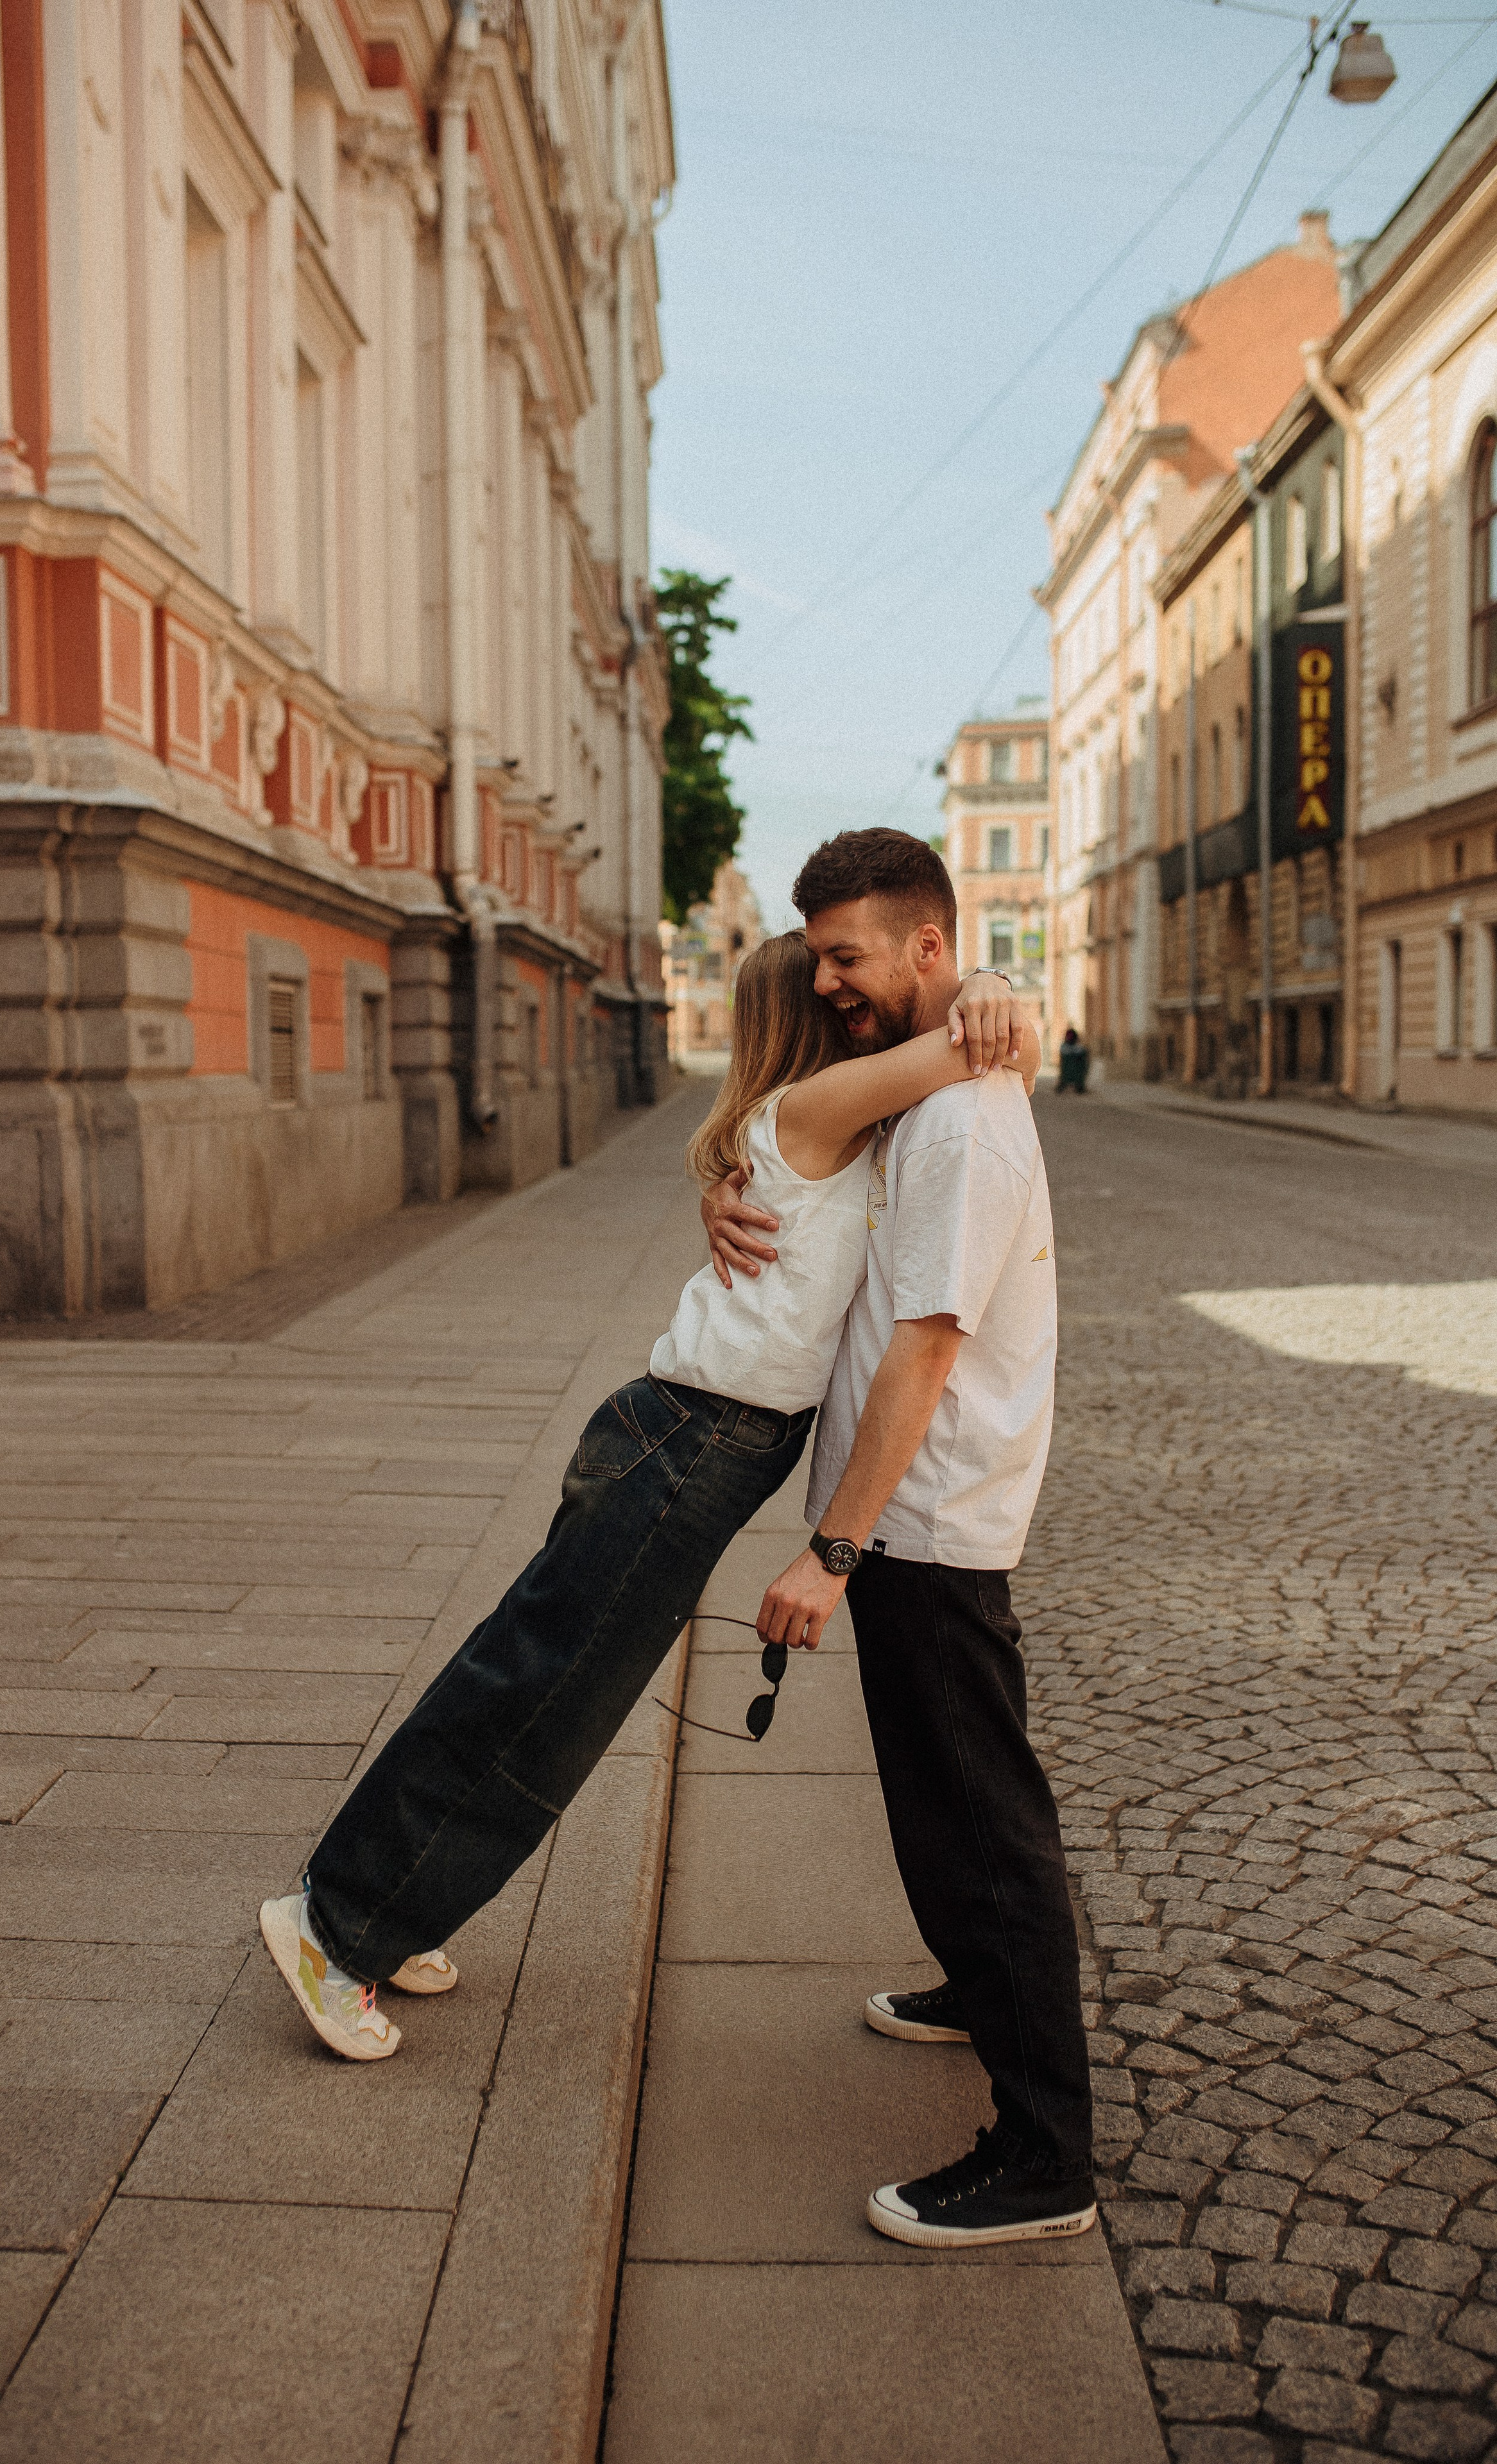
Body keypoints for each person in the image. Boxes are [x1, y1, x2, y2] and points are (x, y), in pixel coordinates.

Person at [259, 929, 1036, 2068]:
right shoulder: (817, 1109)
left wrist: (988, 989)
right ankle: (336, 1926)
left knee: (537, 1680)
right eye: (833, 998)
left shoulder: (817, 1133)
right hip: (685, 1440)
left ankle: (388, 1903)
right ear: (809, 1027)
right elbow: (966, 1048)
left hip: (687, 1439)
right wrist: (995, 985)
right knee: (541, 1698)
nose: (851, 1006)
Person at [704, 828, 1095, 2250]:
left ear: (927, 949)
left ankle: (1044, 2154)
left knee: (981, 1827)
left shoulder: (965, 1118)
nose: (831, 983)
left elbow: (924, 1352)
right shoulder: (930, 1090)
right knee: (946, 1810)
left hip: (925, 1521)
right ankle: (975, 1987)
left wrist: (834, 1552)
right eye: (816, 960)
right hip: (916, 1520)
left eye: (847, 958)